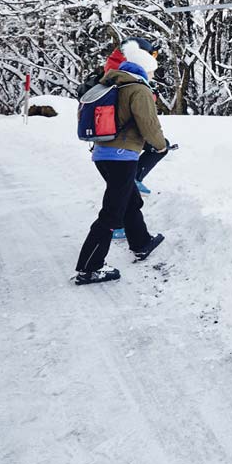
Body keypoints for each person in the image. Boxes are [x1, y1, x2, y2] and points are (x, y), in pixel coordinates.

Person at [74, 38, 168, 285]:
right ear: (143, 67)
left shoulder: (111, 84)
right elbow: (149, 125)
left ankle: (141, 242)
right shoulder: (138, 89)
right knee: (111, 213)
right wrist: (160, 146)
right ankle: (89, 268)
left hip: (102, 154)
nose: (151, 73)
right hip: (122, 157)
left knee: (129, 200)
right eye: (150, 69)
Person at [104, 37, 164, 196]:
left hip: (110, 137)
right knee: (116, 207)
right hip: (122, 139)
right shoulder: (129, 69)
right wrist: (159, 143)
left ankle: (133, 181)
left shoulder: (115, 65)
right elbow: (140, 105)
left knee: (125, 204)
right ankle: (135, 179)